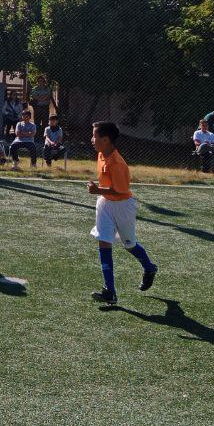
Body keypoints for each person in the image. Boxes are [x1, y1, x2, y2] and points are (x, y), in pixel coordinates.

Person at [87, 120, 158, 306]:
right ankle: (110, 291)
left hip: (123, 206)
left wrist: (97, 191)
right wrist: (100, 193)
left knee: (129, 244)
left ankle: (149, 268)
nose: (92, 139)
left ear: (106, 139)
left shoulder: (118, 163)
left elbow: (120, 191)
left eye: (95, 136)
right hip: (105, 204)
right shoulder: (102, 154)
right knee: (104, 241)